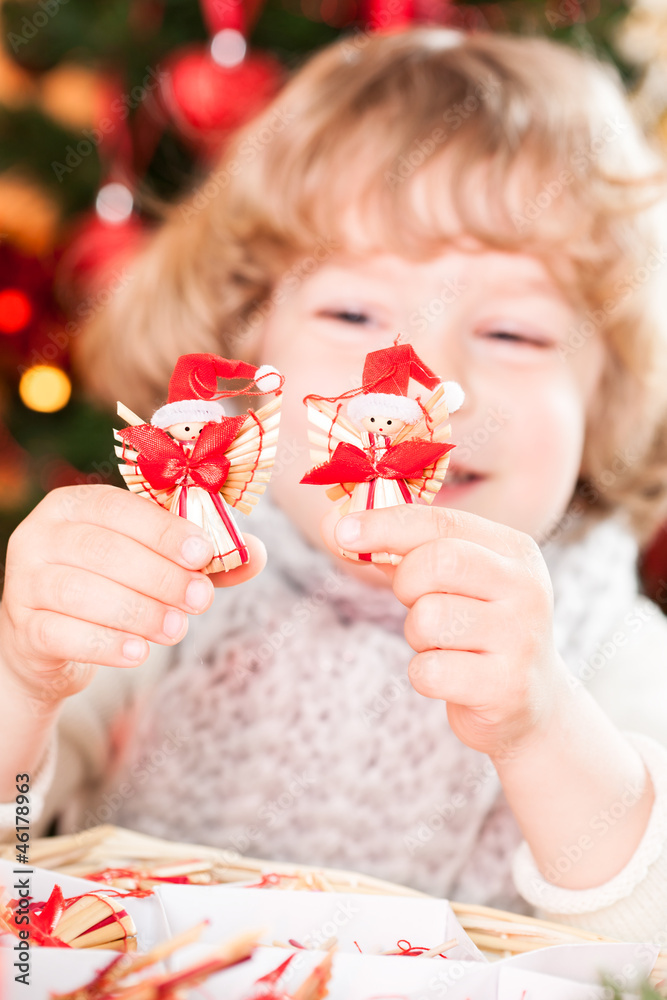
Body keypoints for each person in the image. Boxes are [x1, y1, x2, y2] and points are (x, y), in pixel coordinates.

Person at [2, 27, 667, 943]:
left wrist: (539, 722)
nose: (419, 379)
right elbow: (18, 838)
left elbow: (649, 932)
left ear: (609, 391)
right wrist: (25, 675)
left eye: (514, 331)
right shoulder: (183, 573)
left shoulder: (609, 644)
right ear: (248, 349)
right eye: (353, 311)